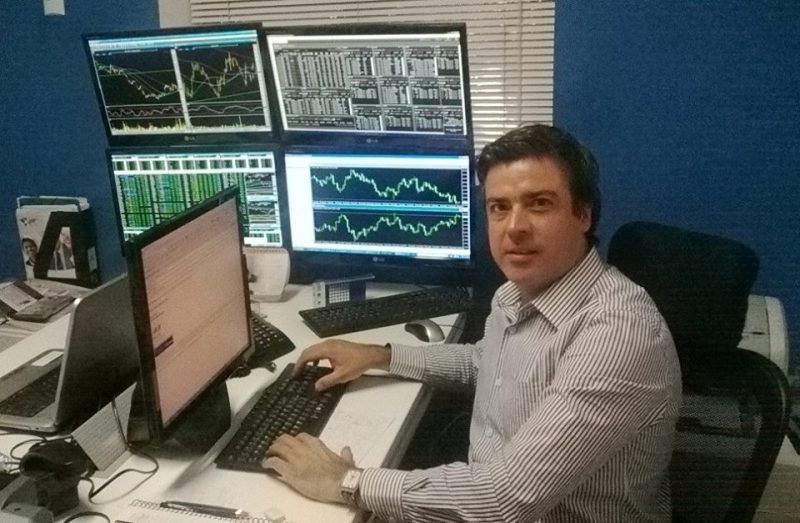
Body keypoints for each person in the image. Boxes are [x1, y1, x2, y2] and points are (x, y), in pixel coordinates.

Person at [263, 124, 682, 521]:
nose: (514, 227)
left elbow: (505, 500)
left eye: (539, 203)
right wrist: (380, 356)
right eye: (499, 208)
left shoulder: (618, 334)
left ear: (583, 214)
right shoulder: (516, 293)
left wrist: (346, 482)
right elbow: (487, 364)